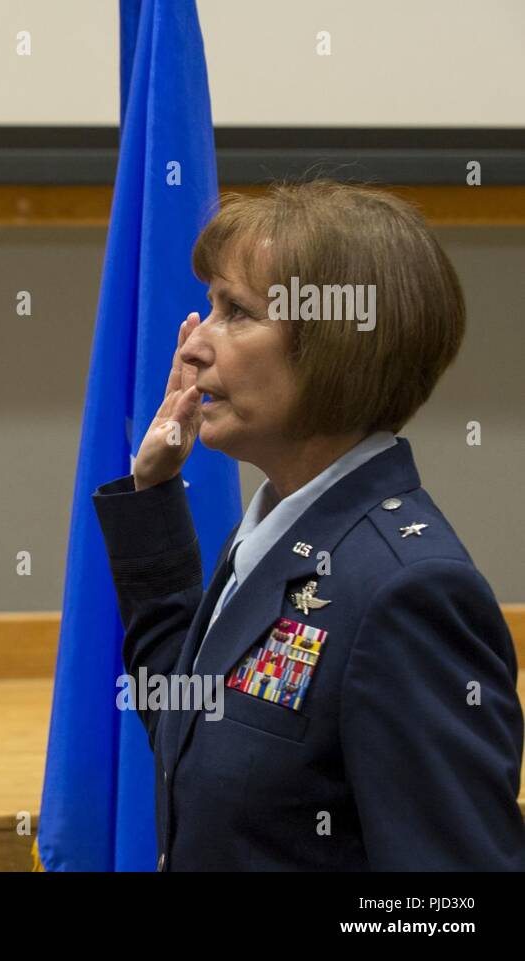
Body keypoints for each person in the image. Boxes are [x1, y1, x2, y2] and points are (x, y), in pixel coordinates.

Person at [93, 180, 525, 870]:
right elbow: (192, 727)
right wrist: (153, 495)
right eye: (210, 305)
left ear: (336, 348)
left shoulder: (408, 594)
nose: (195, 343)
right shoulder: (280, 530)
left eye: (236, 312)